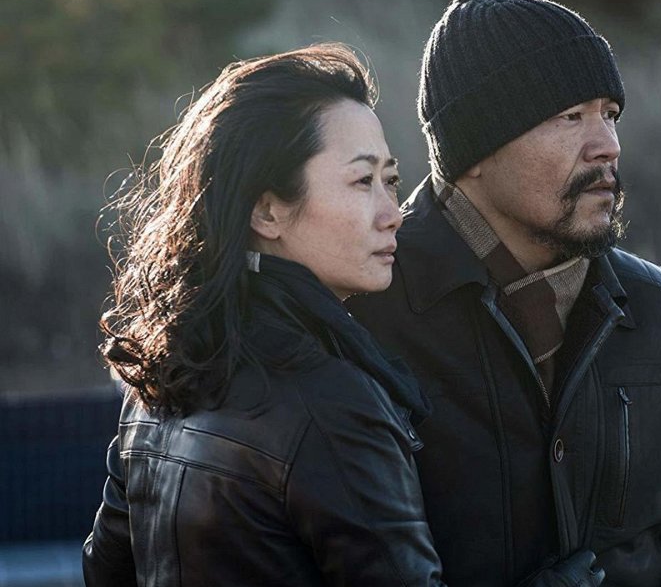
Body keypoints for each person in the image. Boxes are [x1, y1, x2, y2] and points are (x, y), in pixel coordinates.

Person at [82, 43, 603, 587]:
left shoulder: (164, 377)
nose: (392, 214)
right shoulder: (331, 405)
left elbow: (103, 571)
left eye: (391, 181)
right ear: (267, 210)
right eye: (362, 181)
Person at [343, 0, 661, 586]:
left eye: (609, 114)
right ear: (474, 149)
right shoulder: (359, 310)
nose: (608, 146)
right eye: (570, 117)